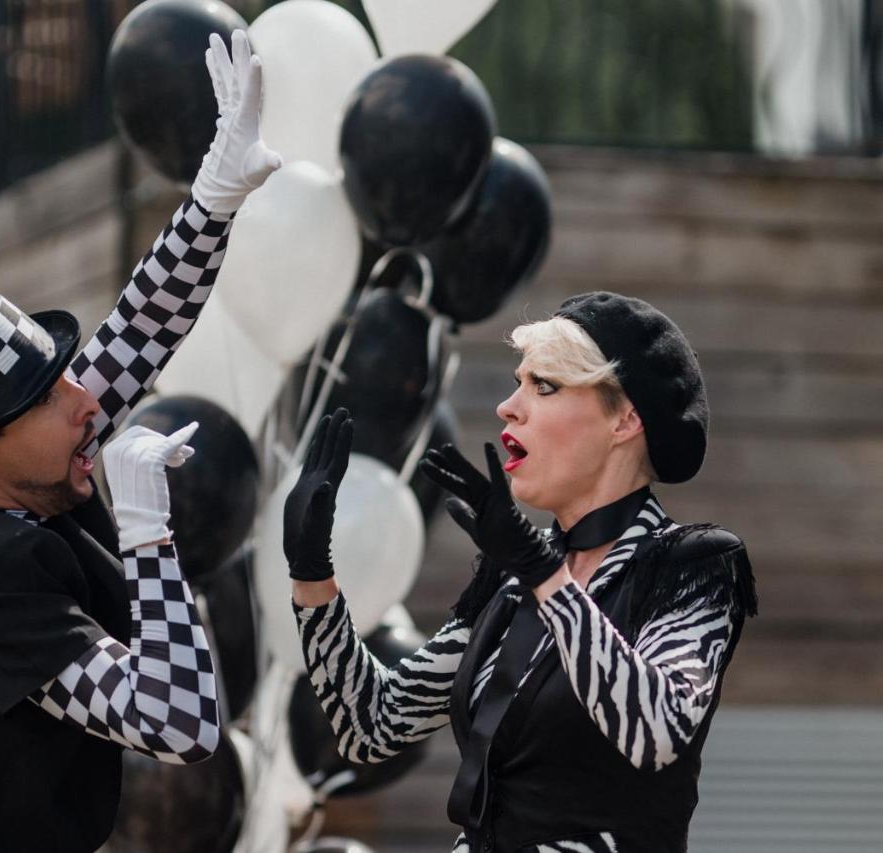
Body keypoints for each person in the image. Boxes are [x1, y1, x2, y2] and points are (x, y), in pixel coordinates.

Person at [0, 31, 281, 853]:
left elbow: (137, 332)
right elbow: (178, 722)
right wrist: (149, 535)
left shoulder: (1, 468)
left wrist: (210, 203)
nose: (87, 401)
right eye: (49, 392)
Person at [283, 292, 758, 853]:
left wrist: (540, 569)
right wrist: (313, 574)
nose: (509, 407)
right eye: (518, 382)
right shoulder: (510, 583)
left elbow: (654, 730)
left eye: (545, 386)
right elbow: (373, 727)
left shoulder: (691, 565)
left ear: (626, 419)